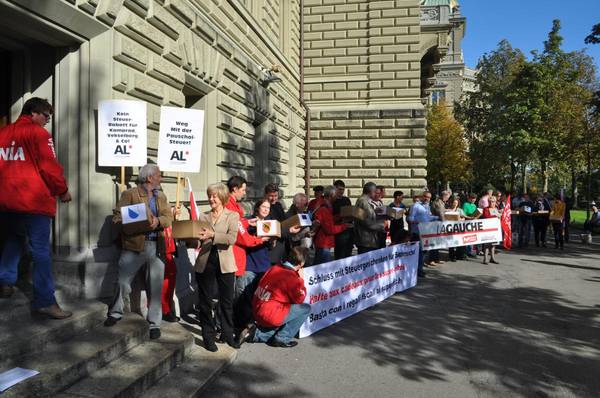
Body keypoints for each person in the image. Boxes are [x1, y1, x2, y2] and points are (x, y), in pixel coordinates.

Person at [0, 97, 73, 319]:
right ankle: (45, 301)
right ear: (33, 113)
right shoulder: (39, 134)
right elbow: (50, 168)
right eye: (46, 116)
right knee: (41, 251)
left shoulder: (2, 134)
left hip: (6, 201)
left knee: (13, 240)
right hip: (33, 202)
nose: (47, 121)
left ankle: (5, 282)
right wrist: (62, 190)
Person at [105, 164, 173, 340]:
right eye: (159, 175)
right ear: (149, 177)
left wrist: (157, 221)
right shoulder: (130, 194)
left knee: (155, 287)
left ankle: (154, 323)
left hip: (156, 246)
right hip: (135, 245)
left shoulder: (162, 196)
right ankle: (115, 312)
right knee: (122, 281)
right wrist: (137, 219)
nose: (161, 178)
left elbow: (168, 217)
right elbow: (117, 217)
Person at [192, 183, 240, 352]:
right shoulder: (203, 216)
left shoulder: (232, 215)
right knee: (205, 302)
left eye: (214, 196)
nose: (211, 199)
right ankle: (208, 336)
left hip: (225, 263)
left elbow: (231, 239)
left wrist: (213, 235)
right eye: (209, 195)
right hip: (205, 262)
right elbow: (197, 241)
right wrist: (189, 237)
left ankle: (228, 334)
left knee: (226, 302)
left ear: (222, 198)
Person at [246, 246, 310, 348]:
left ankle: (255, 334)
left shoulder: (274, 268)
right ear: (301, 263)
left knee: (282, 322)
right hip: (270, 314)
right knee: (305, 308)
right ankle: (281, 338)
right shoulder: (292, 277)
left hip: (257, 309)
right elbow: (299, 299)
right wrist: (301, 280)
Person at [234, 198, 273, 338]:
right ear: (257, 208)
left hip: (263, 265)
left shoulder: (269, 223)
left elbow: (269, 247)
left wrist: (271, 241)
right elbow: (245, 241)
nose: (266, 210)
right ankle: (240, 325)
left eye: (268, 208)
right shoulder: (249, 221)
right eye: (263, 206)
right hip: (249, 265)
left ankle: (252, 323)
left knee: (259, 297)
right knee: (243, 296)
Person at [225, 176, 267, 281]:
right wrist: (260, 239)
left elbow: (236, 225)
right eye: (243, 190)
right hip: (233, 257)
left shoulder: (233, 205)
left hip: (234, 256)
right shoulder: (231, 208)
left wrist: (247, 222)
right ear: (235, 189)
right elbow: (242, 237)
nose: (244, 193)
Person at [313, 186, 350, 265]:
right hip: (323, 244)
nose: (337, 197)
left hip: (323, 244)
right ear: (331, 195)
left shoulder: (326, 206)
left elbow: (327, 221)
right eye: (336, 195)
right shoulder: (324, 208)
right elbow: (330, 229)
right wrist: (344, 226)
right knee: (325, 270)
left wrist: (339, 216)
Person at [407, 191, 439, 277]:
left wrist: (438, 217)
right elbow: (409, 218)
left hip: (426, 232)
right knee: (418, 252)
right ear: (422, 196)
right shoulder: (415, 206)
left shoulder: (427, 207)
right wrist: (417, 222)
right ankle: (417, 271)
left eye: (428, 197)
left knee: (424, 252)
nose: (426, 198)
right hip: (417, 232)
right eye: (425, 196)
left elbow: (428, 218)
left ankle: (419, 269)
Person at [354, 182, 387, 254]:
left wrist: (374, 212)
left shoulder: (362, 200)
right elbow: (367, 222)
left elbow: (365, 216)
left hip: (366, 240)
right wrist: (382, 225)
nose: (376, 194)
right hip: (366, 241)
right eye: (375, 192)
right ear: (371, 191)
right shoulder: (363, 202)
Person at [332, 180, 354, 259]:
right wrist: (340, 217)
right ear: (334, 189)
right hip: (339, 232)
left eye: (343, 189)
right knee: (339, 254)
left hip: (349, 230)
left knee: (348, 254)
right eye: (339, 189)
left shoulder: (346, 200)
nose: (341, 191)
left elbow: (350, 212)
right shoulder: (332, 201)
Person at [428, 190, 450, 266]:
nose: (448, 199)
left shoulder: (440, 202)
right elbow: (441, 214)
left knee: (437, 243)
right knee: (433, 243)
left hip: (437, 224)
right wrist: (445, 225)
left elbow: (442, 211)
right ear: (444, 196)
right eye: (447, 197)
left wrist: (447, 210)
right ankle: (431, 260)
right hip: (435, 225)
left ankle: (436, 259)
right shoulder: (438, 202)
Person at [447, 197, 467, 261]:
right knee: (451, 243)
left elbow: (464, 218)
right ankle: (452, 256)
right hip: (451, 228)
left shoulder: (460, 210)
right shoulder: (448, 210)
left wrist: (460, 219)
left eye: (456, 203)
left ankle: (459, 255)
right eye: (454, 202)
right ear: (451, 203)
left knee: (459, 242)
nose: (455, 204)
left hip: (459, 228)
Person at [482, 196, 500, 264]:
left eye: (493, 201)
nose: (491, 203)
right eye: (490, 201)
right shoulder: (486, 209)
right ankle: (485, 259)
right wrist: (496, 215)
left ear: (495, 202)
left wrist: (499, 215)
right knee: (487, 244)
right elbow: (486, 217)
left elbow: (498, 217)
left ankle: (492, 258)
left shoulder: (496, 208)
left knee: (493, 244)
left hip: (495, 229)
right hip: (487, 229)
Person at [462, 193, 479, 258]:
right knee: (466, 238)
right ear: (469, 198)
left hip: (473, 223)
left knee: (471, 238)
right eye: (472, 198)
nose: (473, 200)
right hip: (467, 223)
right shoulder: (465, 204)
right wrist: (469, 216)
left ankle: (470, 252)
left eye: (474, 199)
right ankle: (465, 252)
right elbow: (463, 214)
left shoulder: (474, 205)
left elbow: (475, 214)